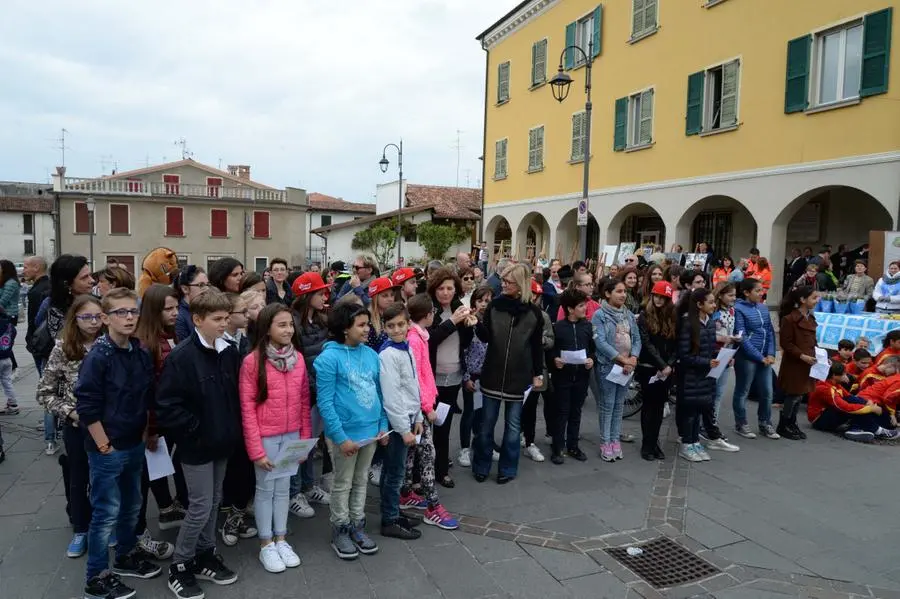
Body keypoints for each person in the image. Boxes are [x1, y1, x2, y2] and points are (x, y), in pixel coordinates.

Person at [75, 288, 161, 599]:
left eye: (132, 312)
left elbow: (145, 396)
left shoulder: (138, 351)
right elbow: (86, 405)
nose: (128, 318)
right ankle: (96, 577)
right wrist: (103, 446)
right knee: (105, 513)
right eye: (120, 313)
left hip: (133, 443)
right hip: (108, 448)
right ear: (105, 318)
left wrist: (146, 433)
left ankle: (125, 556)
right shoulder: (99, 357)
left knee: (132, 505)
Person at [156, 290, 242, 599]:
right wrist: (197, 430)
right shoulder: (182, 357)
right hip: (197, 446)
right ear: (197, 319)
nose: (223, 324)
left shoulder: (229, 352)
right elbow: (167, 405)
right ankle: (180, 564)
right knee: (200, 505)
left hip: (223, 442)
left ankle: (205, 553)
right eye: (217, 319)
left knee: (215, 500)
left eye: (225, 318)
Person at [239, 304, 309, 573]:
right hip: (266, 436)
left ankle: (281, 538)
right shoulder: (252, 362)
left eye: (290, 324)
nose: (288, 330)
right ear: (267, 328)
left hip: (291, 434)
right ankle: (266, 543)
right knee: (265, 490)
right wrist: (256, 450)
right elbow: (247, 408)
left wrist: (303, 440)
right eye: (281, 325)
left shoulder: (299, 359)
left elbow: (304, 402)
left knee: (284, 489)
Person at [314, 303, 388, 560]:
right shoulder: (328, 358)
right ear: (345, 328)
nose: (368, 329)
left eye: (367, 324)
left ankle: (358, 524)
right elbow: (325, 402)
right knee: (342, 483)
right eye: (362, 325)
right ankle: (340, 528)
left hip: (371, 432)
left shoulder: (371, 355)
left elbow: (379, 392)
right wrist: (340, 437)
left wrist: (382, 425)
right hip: (345, 434)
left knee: (361, 480)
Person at [35, 294, 103, 559]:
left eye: (98, 316)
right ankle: (81, 527)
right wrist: (71, 413)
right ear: (75, 318)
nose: (94, 322)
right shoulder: (64, 347)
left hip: (111, 424)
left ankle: (108, 524)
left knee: (108, 478)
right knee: (78, 476)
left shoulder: (110, 343)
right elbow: (45, 392)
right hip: (79, 425)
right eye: (87, 317)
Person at [472, 263, 544, 484]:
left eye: (508, 282)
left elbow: (536, 346)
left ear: (520, 284)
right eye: (502, 280)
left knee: (513, 428)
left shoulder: (534, 314)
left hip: (518, 376)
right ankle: (482, 465)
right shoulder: (494, 307)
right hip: (492, 373)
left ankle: (508, 468)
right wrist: (476, 324)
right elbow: (486, 338)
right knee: (486, 425)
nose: (502, 284)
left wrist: (538, 373)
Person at [133, 284, 186, 560]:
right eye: (168, 308)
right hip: (155, 421)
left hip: (169, 418)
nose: (175, 313)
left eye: (176, 307)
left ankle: (166, 509)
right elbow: (149, 390)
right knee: (147, 472)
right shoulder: (146, 343)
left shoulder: (170, 335)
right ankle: (138, 533)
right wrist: (151, 429)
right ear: (154, 311)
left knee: (160, 467)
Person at [25, 255, 94, 452]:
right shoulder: (54, 307)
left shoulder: (97, 303)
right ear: (67, 283)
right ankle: (51, 438)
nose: (92, 281)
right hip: (71, 389)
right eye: (84, 277)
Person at [403, 293, 456, 528]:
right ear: (427, 315)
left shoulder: (420, 336)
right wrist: (427, 407)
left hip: (422, 404)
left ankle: (405, 493)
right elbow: (416, 377)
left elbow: (425, 373)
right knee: (427, 454)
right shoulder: (415, 339)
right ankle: (432, 506)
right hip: (417, 408)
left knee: (413, 452)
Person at [375, 303, 427, 540]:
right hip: (398, 423)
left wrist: (417, 416)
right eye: (391, 326)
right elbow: (392, 396)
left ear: (408, 324)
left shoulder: (405, 348)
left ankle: (393, 511)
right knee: (394, 473)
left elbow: (413, 385)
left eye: (400, 324)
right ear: (384, 328)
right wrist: (404, 428)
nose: (396, 330)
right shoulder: (387, 354)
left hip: (408, 417)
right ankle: (389, 518)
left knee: (394, 471)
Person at [288, 272, 333, 519]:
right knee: (298, 444)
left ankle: (308, 486)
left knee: (311, 440)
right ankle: (294, 493)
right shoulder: (293, 323)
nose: (324, 296)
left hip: (318, 391)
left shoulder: (321, 320)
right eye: (319, 293)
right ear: (306, 296)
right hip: (302, 393)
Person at [676, 289, 739, 462]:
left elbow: (710, 349)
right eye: (710, 302)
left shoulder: (710, 323)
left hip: (706, 375)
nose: (713, 305)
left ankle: (695, 441)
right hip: (690, 375)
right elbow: (684, 355)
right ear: (699, 304)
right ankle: (686, 444)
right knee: (689, 412)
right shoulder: (688, 323)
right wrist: (706, 362)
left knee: (699, 410)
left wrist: (718, 359)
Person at [427, 268, 474, 488]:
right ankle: (422, 471)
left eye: (449, 288)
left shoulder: (458, 308)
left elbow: (469, 340)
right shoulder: (429, 311)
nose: (445, 293)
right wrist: (452, 322)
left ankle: (441, 470)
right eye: (441, 288)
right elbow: (430, 340)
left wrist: (471, 322)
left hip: (453, 375)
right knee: (426, 426)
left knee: (444, 425)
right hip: (431, 378)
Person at [592, 278, 642, 462]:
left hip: (627, 367)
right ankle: (605, 442)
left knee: (619, 404)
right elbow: (601, 342)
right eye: (618, 291)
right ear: (607, 293)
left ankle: (615, 440)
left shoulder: (628, 315)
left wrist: (633, 358)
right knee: (607, 405)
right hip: (608, 366)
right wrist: (622, 359)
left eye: (624, 292)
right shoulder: (600, 315)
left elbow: (636, 338)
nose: (623, 295)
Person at [549, 288, 594, 464]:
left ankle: (573, 445)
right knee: (561, 412)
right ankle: (557, 447)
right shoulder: (558, 328)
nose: (585, 309)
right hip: (563, 377)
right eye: (581, 306)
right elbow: (551, 351)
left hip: (581, 377)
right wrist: (555, 359)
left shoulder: (588, 327)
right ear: (570, 309)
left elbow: (593, 349)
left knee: (576, 412)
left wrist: (591, 359)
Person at [732, 278, 779, 440]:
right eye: (757, 291)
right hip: (746, 357)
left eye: (761, 290)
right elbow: (741, 336)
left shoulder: (763, 308)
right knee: (742, 391)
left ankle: (765, 423)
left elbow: (770, 332)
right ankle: (741, 423)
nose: (761, 293)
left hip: (765, 357)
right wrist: (759, 357)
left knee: (767, 391)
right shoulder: (738, 309)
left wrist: (771, 353)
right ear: (746, 292)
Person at [636, 282, 676, 461]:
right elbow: (647, 343)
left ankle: (654, 442)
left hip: (666, 369)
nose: (659, 300)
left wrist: (670, 364)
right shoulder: (644, 316)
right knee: (648, 407)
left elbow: (677, 344)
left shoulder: (672, 316)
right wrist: (662, 365)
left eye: (664, 298)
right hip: (649, 367)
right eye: (657, 296)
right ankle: (647, 444)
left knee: (659, 407)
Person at [808, 362, 899, 442]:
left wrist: (866, 403)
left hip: (831, 413)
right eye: (843, 374)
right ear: (834, 375)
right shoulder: (825, 388)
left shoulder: (835, 384)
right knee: (854, 406)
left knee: (855, 401)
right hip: (819, 421)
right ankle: (876, 430)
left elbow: (849, 396)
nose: (846, 376)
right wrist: (870, 408)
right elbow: (844, 407)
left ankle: (856, 429)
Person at [776, 286, 819, 441]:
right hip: (795, 363)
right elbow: (786, 344)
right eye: (813, 298)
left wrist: (820, 355)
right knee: (793, 394)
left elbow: (813, 341)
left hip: (807, 362)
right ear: (802, 300)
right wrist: (802, 356)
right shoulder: (789, 318)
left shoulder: (811, 318)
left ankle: (792, 423)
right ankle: (784, 424)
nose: (816, 300)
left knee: (800, 395)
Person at [521, 280, 553, 463]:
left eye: (538, 296)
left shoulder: (544, 316)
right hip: (519, 368)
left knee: (532, 406)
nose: (535, 298)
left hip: (537, 366)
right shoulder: (518, 313)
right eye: (533, 294)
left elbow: (550, 339)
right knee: (520, 407)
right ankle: (519, 434)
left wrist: (541, 340)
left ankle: (530, 440)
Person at [459, 287, 492, 467]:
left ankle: (483, 443)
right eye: (480, 301)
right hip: (472, 374)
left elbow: (489, 340)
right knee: (470, 412)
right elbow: (463, 351)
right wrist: (466, 377)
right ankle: (464, 448)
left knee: (485, 413)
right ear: (474, 303)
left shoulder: (491, 322)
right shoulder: (468, 323)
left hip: (488, 374)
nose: (484, 305)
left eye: (487, 301)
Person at [23, 255, 50, 371]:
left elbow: (34, 321)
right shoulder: (50, 285)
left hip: (41, 343)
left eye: (25, 267)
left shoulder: (36, 291)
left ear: (36, 267)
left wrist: (30, 340)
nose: (23, 271)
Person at [174, 266, 210, 343]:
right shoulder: (179, 317)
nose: (207, 289)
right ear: (185, 289)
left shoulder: (205, 309)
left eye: (207, 284)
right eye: (201, 285)